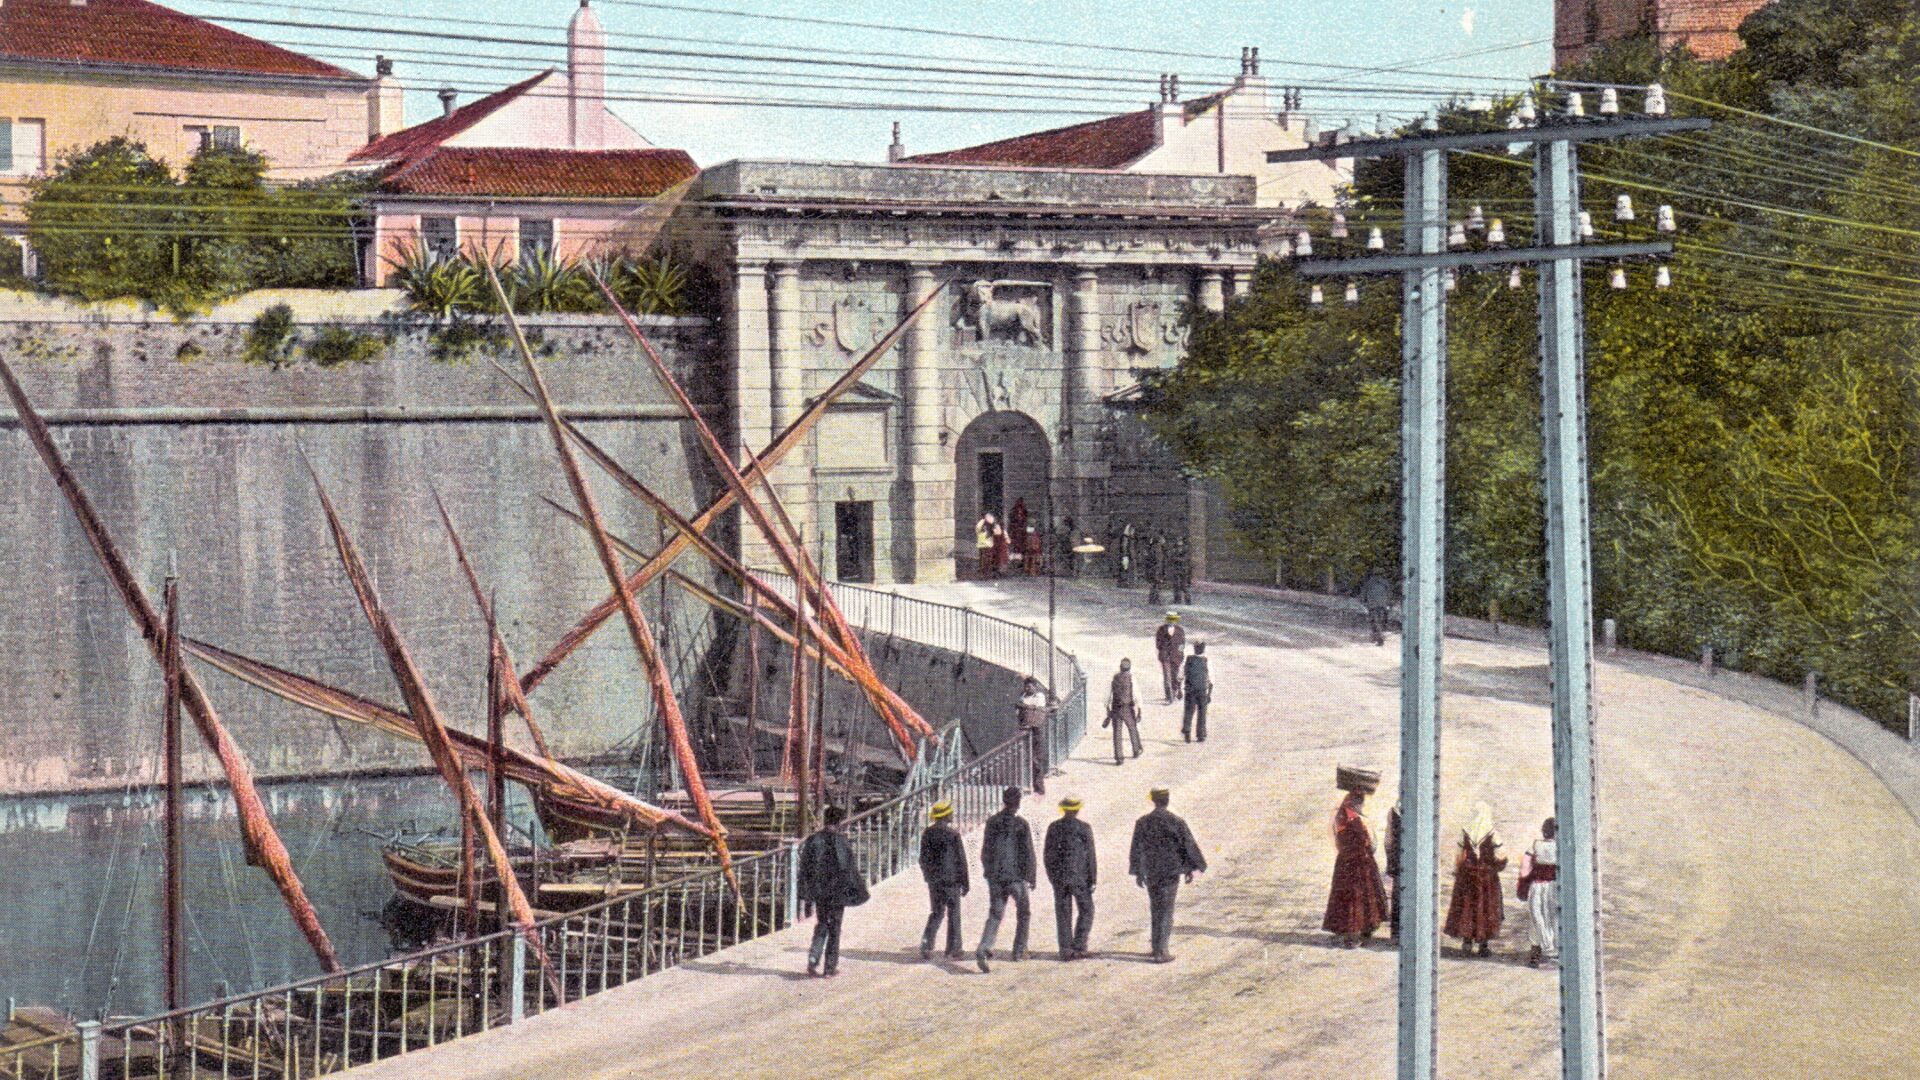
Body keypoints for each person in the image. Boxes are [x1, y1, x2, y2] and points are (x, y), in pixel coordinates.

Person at [1128, 787, 1206, 963]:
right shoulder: (1176, 821)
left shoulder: (1142, 822)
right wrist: (1190, 868)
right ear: (1167, 800)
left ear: (1153, 800)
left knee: (1155, 908)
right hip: (1170, 872)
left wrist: (1138, 872)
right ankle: (1161, 951)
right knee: (1166, 910)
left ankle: (1157, 947)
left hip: (1151, 872)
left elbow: (1136, 849)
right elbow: (1187, 846)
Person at [798, 804, 869, 977]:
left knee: (822, 924)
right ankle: (830, 968)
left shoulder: (813, 840)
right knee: (835, 928)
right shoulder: (842, 842)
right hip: (837, 891)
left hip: (820, 890)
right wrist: (858, 891)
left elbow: (805, 867)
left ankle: (813, 960)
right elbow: (848, 868)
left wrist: (805, 894)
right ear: (839, 822)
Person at [975, 787, 1036, 972]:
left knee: (995, 914)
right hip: (1016, 876)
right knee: (1024, 913)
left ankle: (984, 947)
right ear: (1018, 803)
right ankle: (1019, 950)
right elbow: (1028, 852)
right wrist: (1031, 876)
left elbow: (985, 851)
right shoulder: (1021, 824)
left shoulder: (992, 822)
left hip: (996, 877)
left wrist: (988, 872)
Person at [1322, 786, 1389, 948]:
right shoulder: (1360, 820)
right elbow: (1372, 843)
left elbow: (1336, 840)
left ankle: (1349, 930)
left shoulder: (1339, 818)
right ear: (1357, 804)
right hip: (1362, 863)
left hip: (1345, 862)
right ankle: (1361, 930)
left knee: (1348, 896)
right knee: (1362, 896)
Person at [1444, 802, 1507, 957]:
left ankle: (1467, 942)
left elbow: (1459, 854)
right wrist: (1497, 865)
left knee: (1467, 907)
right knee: (1485, 907)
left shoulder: (1465, 832)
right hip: (1486, 876)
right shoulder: (1492, 833)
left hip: (1467, 875)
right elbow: (1501, 855)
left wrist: (1456, 870)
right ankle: (1483, 945)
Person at [1044, 796, 1097, 960]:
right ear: (1077, 809)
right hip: (1079, 878)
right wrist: (1093, 878)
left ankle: (1065, 950)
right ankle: (1079, 945)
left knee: (1063, 912)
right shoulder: (1084, 828)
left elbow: (1048, 855)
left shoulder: (1053, 827)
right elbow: (1090, 856)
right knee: (1087, 910)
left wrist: (1052, 877)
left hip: (1060, 878)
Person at [919, 800, 969, 960]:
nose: (953, 815)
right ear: (946, 815)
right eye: (951, 813)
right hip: (951, 880)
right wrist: (965, 882)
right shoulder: (953, 835)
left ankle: (926, 945)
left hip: (934, 880)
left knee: (936, 912)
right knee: (954, 913)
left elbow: (923, 859)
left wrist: (928, 876)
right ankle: (954, 948)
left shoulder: (927, 833)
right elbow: (961, 860)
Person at [1519, 817, 1559, 968]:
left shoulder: (1534, 846)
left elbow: (1524, 870)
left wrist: (1524, 883)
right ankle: (1555, 950)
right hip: (1554, 887)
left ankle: (1535, 955)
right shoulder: (1560, 848)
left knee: (1537, 918)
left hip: (1537, 886)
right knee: (1554, 917)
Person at [1103, 658, 1143, 765]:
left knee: (1117, 732)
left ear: (1120, 667)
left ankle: (1119, 757)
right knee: (1132, 729)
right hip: (1127, 708)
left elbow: (1107, 695)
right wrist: (1139, 709)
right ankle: (1136, 750)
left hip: (1116, 707)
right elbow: (1136, 694)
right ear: (1129, 668)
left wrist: (1107, 708)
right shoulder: (1131, 678)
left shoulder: (1114, 678)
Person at [1017, 676, 1050, 794]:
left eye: (1029, 686)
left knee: (1037, 759)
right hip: (1025, 729)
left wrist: (1024, 707)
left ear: (1035, 687)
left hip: (1037, 731)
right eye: (1025, 686)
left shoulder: (1039, 696)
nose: (1027, 688)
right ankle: (1027, 785)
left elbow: (1036, 710)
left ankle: (1039, 787)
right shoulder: (1023, 696)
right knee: (1026, 757)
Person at [1181, 641, 1213, 743]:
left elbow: (1181, 675)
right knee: (1202, 712)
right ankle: (1201, 734)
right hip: (1202, 689)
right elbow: (1211, 679)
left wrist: (1178, 687)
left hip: (1190, 689)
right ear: (1203, 649)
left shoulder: (1188, 660)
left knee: (1189, 710)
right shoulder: (1206, 661)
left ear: (1194, 649)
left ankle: (1187, 729)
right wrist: (1209, 694)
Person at [1153, 611, 1187, 705]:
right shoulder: (1161, 630)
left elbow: (1182, 644)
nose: (1172, 621)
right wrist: (1163, 651)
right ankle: (1169, 697)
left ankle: (1175, 691)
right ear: (1167, 620)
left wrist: (1180, 653)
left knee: (1175, 676)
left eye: (1173, 620)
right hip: (1165, 657)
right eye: (1170, 620)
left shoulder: (1180, 630)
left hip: (1176, 657)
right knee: (1167, 677)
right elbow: (1158, 643)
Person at [1384, 801, 1404, 943]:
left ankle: (1396, 933)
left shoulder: (1393, 812)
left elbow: (1388, 839)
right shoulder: (1419, 810)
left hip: (1398, 857)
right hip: (1414, 858)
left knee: (1397, 894)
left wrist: (1390, 857)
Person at [1359, 568, 1394, 646]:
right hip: (1383, 605)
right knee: (1381, 622)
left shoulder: (1368, 583)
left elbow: (1363, 595)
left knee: (1374, 621)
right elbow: (1390, 594)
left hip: (1372, 605)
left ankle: (1378, 638)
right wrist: (1389, 604)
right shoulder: (1385, 583)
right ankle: (1377, 636)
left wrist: (1364, 604)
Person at [1169, 539, 1193, 605]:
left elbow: (1185, 559)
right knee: (1176, 585)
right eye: (1178, 546)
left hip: (1183, 570)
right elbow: (1171, 558)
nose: (1179, 547)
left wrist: (1176, 559)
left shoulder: (1186, 551)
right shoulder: (1175, 551)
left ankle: (1188, 600)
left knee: (1184, 586)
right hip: (1176, 570)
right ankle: (1177, 600)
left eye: (1180, 546)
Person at [1146, 534, 1167, 605]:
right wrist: (1158, 573)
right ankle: (1156, 600)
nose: (1164, 541)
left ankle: (1152, 600)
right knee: (1156, 585)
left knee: (1154, 585)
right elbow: (1159, 561)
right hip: (1156, 570)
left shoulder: (1153, 547)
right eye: (1163, 539)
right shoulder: (1158, 549)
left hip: (1153, 569)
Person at [974, 513, 996, 580]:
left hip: (985, 543)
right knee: (985, 560)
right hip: (985, 543)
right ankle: (985, 574)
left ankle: (985, 574)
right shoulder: (983, 522)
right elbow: (978, 529)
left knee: (985, 559)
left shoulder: (986, 523)